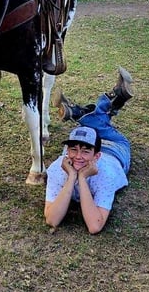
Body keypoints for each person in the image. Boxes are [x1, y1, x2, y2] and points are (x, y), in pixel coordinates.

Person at [44, 67, 135, 234]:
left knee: (97, 123)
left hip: (115, 149)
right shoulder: (58, 169)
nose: (78, 156)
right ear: (66, 151)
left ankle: (79, 112)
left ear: (96, 156)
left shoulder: (104, 174)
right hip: (99, 143)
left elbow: (95, 226)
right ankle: (110, 99)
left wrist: (83, 178)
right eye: (73, 149)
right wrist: (72, 177)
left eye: (85, 151)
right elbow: (52, 219)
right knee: (99, 121)